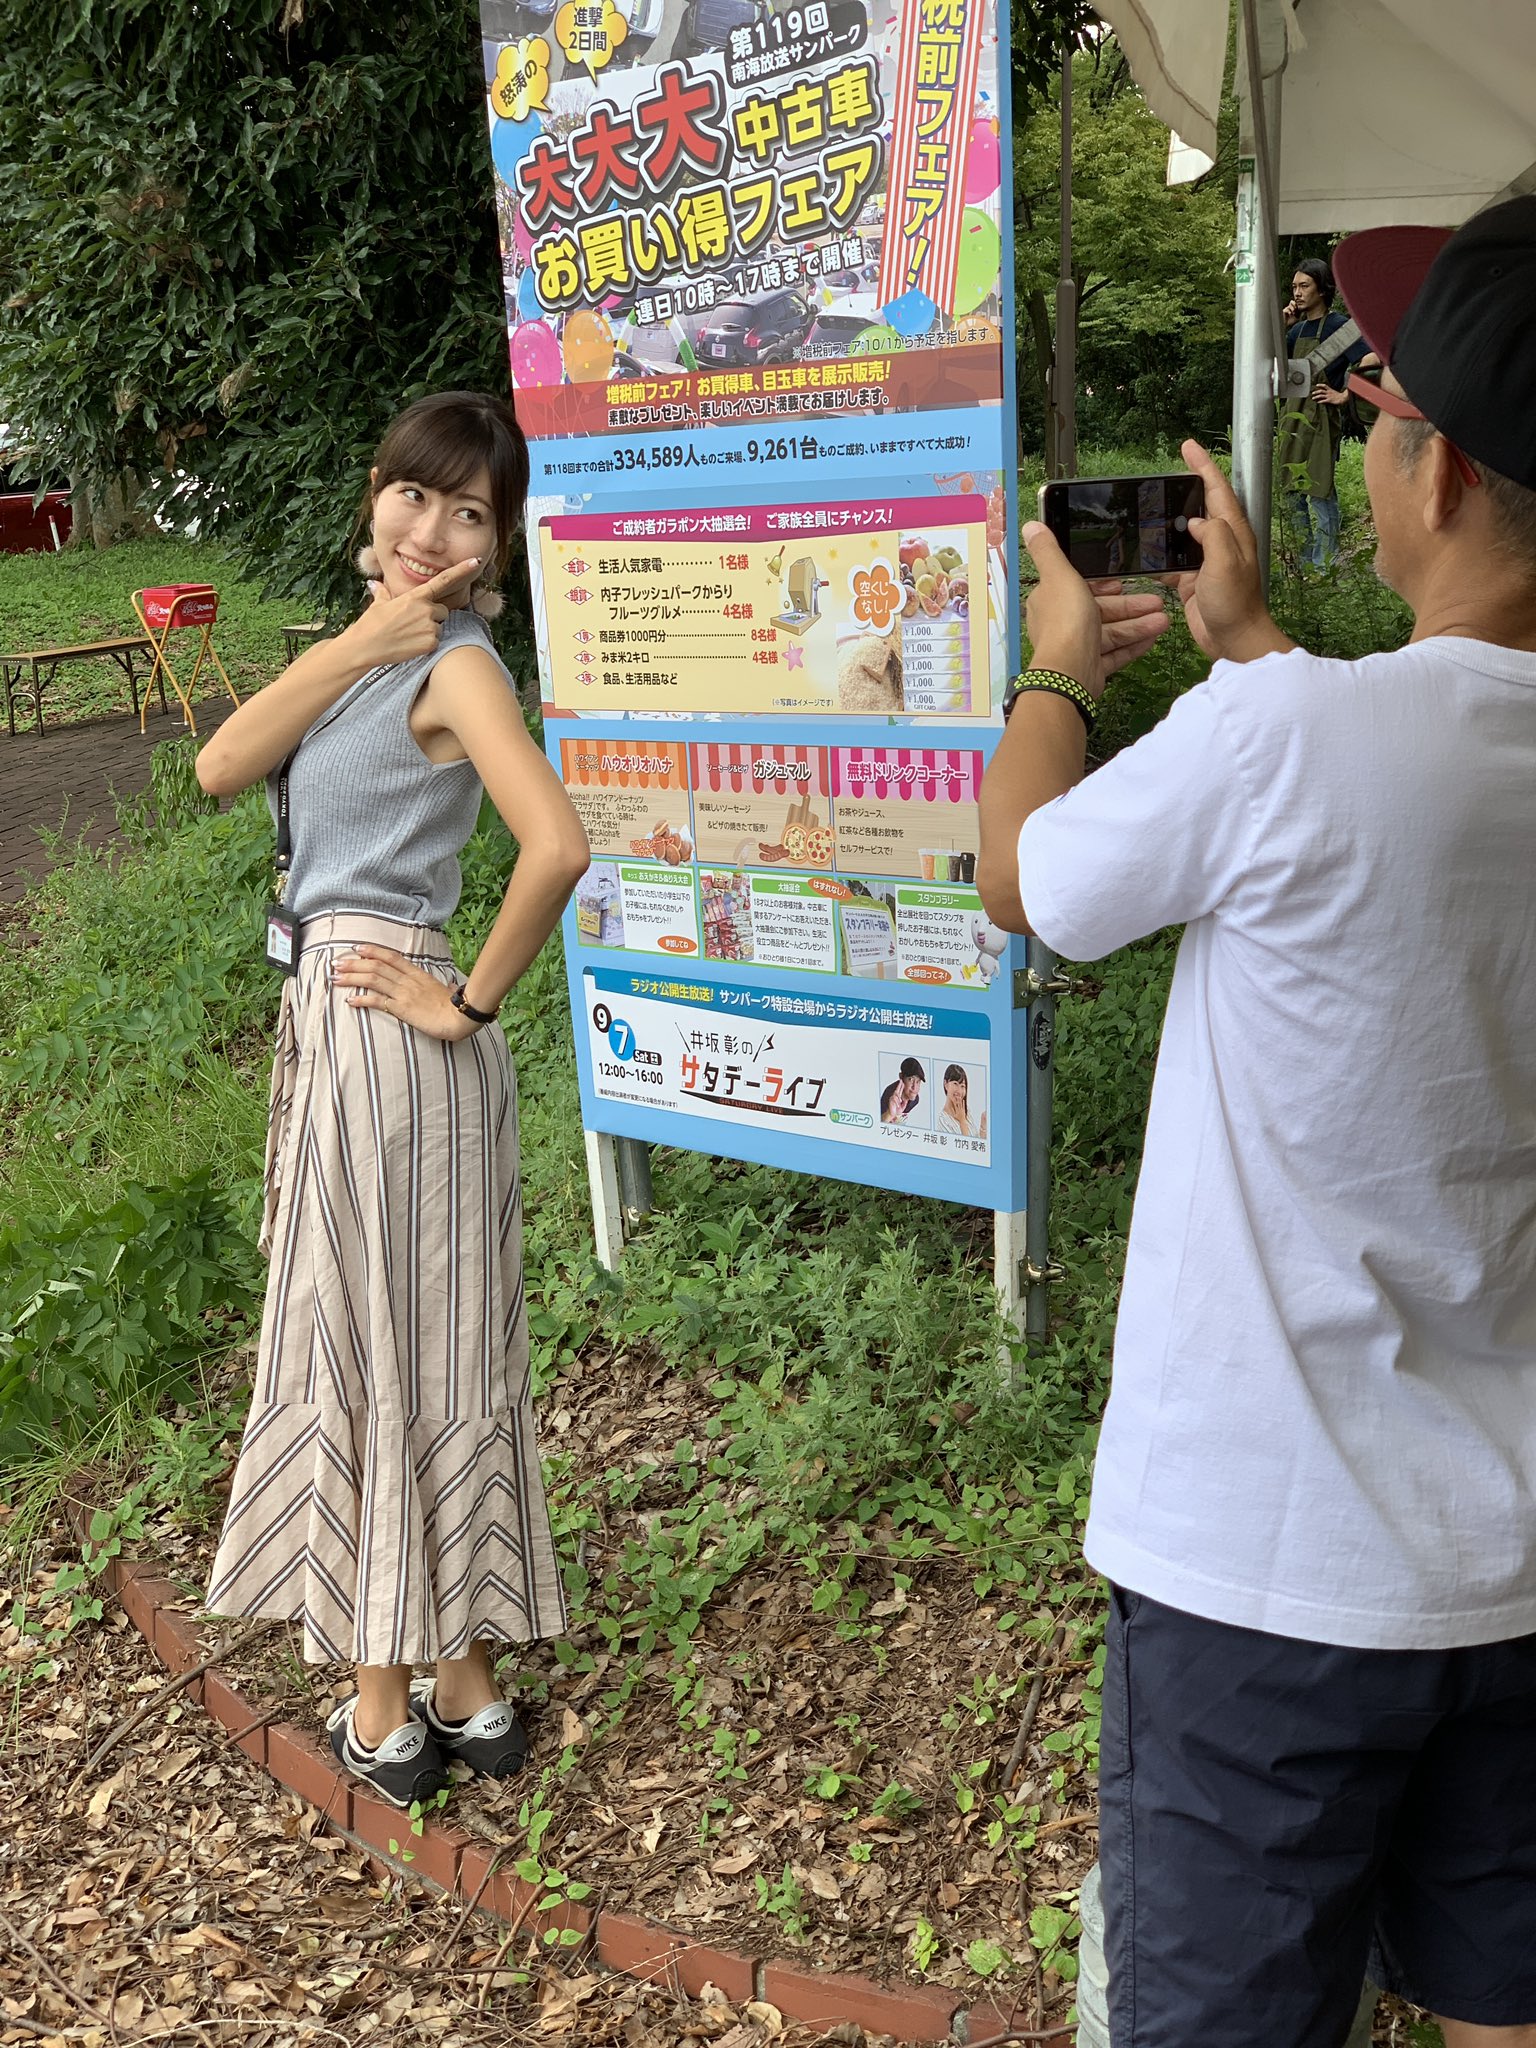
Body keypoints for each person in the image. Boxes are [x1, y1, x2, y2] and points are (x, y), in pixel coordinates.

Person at [976, 196, 1536, 2048]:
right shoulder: (1307, 722)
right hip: (1513, 1560)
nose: (1366, 439)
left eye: (1376, 409)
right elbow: (1400, 783)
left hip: (1267, 1571)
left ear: (1440, 471)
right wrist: (1256, 652)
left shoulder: (1293, 736)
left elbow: (1029, 880)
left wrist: (1062, 664)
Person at [197, 391, 591, 1810]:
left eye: (467, 512)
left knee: (376, 1349)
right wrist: (363, 639)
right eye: (415, 495)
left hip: (387, 1028)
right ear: (375, 492)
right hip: (356, 1032)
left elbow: (557, 845)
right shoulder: (366, 654)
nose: (431, 529)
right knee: (428, 1344)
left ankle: (382, 1703)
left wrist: (464, 1000)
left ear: (498, 542)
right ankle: (464, 1681)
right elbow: (218, 764)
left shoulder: (465, 667)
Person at [1278, 256, 1372, 569]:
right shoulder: (1295, 331)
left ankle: (1325, 566)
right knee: (1291, 491)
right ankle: (1305, 565)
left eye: (1304, 285)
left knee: (1320, 490)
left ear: (1321, 289)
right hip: (1292, 418)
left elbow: (1370, 359)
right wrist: (1282, 328)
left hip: (1320, 419)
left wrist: (1345, 394)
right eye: (1294, 286)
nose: (1297, 292)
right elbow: (1276, 372)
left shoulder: (1339, 326)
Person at [936, 1063, 987, 1140]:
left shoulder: (966, 1110)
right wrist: (962, 1121)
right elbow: (965, 1145)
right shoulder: (942, 1120)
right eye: (955, 1084)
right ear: (945, 1084)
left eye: (962, 1086)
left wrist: (983, 1126)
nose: (959, 1091)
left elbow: (976, 1142)